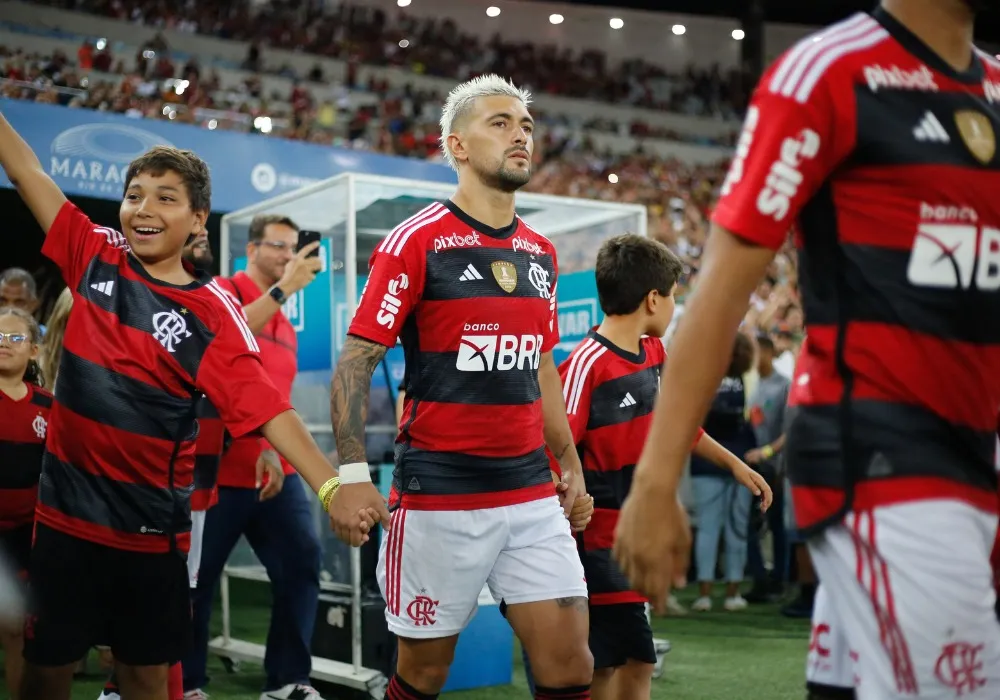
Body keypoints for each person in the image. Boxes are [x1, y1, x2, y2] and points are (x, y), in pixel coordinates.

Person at [613, 2, 1000, 699]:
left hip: (977, 456)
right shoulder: (830, 72)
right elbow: (719, 299)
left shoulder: (993, 87)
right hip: (884, 456)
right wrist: (655, 480)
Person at [0, 108, 384, 700]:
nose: (144, 209)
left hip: (151, 538)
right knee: (46, 670)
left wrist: (333, 487)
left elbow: (268, 409)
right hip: (64, 529)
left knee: (147, 677)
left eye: (166, 198)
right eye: (134, 195)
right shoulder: (93, 254)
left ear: (199, 219)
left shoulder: (213, 314)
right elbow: (27, 171)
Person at [331, 74, 594, 700]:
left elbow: (542, 367)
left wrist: (569, 460)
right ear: (457, 147)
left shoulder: (541, 253)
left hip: (531, 493)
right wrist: (351, 474)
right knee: (423, 674)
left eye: (526, 125)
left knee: (571, 665)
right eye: (499, 124)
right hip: (438, 497)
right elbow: (355, 361)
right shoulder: (414, 241)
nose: (520, 135)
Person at [558, 234, 771, 700]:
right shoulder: (586, 364)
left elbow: (681, 426)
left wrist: (736, 464)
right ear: (653, 299)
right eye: (674, 295)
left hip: (638, 537)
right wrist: (568, 501)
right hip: (600, 542)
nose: (675, 306)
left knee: (638, 663)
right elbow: (556, 448)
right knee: (608, 665)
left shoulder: (655, 354)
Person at [185, 214, 328, 700]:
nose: (290, 255)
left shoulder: (285, 324)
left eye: (294, 247)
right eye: (279, 246)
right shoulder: (223, 290)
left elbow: (275, 396)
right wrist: (284, 289)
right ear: (251, 248)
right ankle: (187, 683)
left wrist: (271, 446)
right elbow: (223, 337)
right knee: (196, 580)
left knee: (303, 560)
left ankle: (288, 680)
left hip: (274, 467)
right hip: (218, 469)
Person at [97, 232, 229, 700]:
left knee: (177, 594)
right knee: (132, 591)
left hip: (196, 483)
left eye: (205, 234)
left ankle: (165, 686)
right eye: (194, 235)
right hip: (138, 480)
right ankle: (122, 685)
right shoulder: (140, 295)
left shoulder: (218, 300)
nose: (201, 239)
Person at [0, 306, 51, 700]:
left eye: (16, 338)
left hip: (25, 538)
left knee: (18, 633)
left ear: (34, 350)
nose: (5, 344)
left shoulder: (49, 408)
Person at [688, 331, 760, 613]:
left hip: (707, 461)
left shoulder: (704, 378)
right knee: (736, 528)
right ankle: (733, 593)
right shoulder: (749, 380)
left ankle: (705, 593)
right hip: (740, 461)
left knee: (708, 528)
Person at [744, 334, 791, 604]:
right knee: (752, 526)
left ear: (769, 353)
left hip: (776, 468)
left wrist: (769, 452)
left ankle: (780, 581)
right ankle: (760, 579)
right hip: (753, 469)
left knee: (777, 527)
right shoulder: (753, 385)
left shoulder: (784, 386)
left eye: (757, 352)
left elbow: (790, 430)